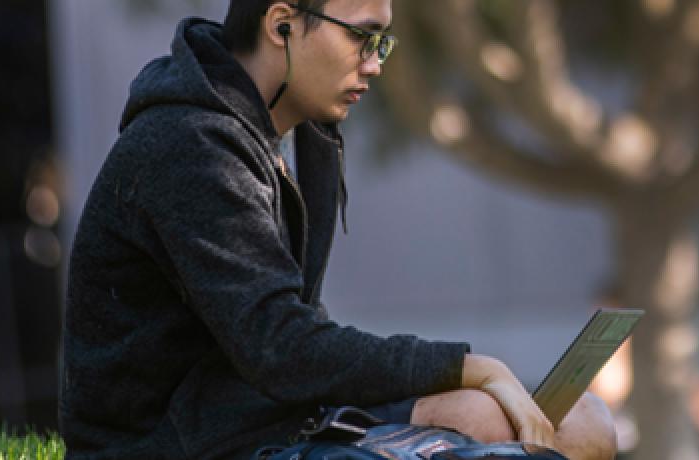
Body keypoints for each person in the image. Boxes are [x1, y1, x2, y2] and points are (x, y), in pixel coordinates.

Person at [58, 1, 614, 458]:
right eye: (362, 37)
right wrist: (467, 366)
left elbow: (293, 340)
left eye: (382, 42)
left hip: (266, 415)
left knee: (584, 425)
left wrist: (463, 382)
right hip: (179, 445)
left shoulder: (296, 135)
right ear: (282, 25)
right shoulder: (190, 146)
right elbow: (280, 346)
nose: (374, 63)